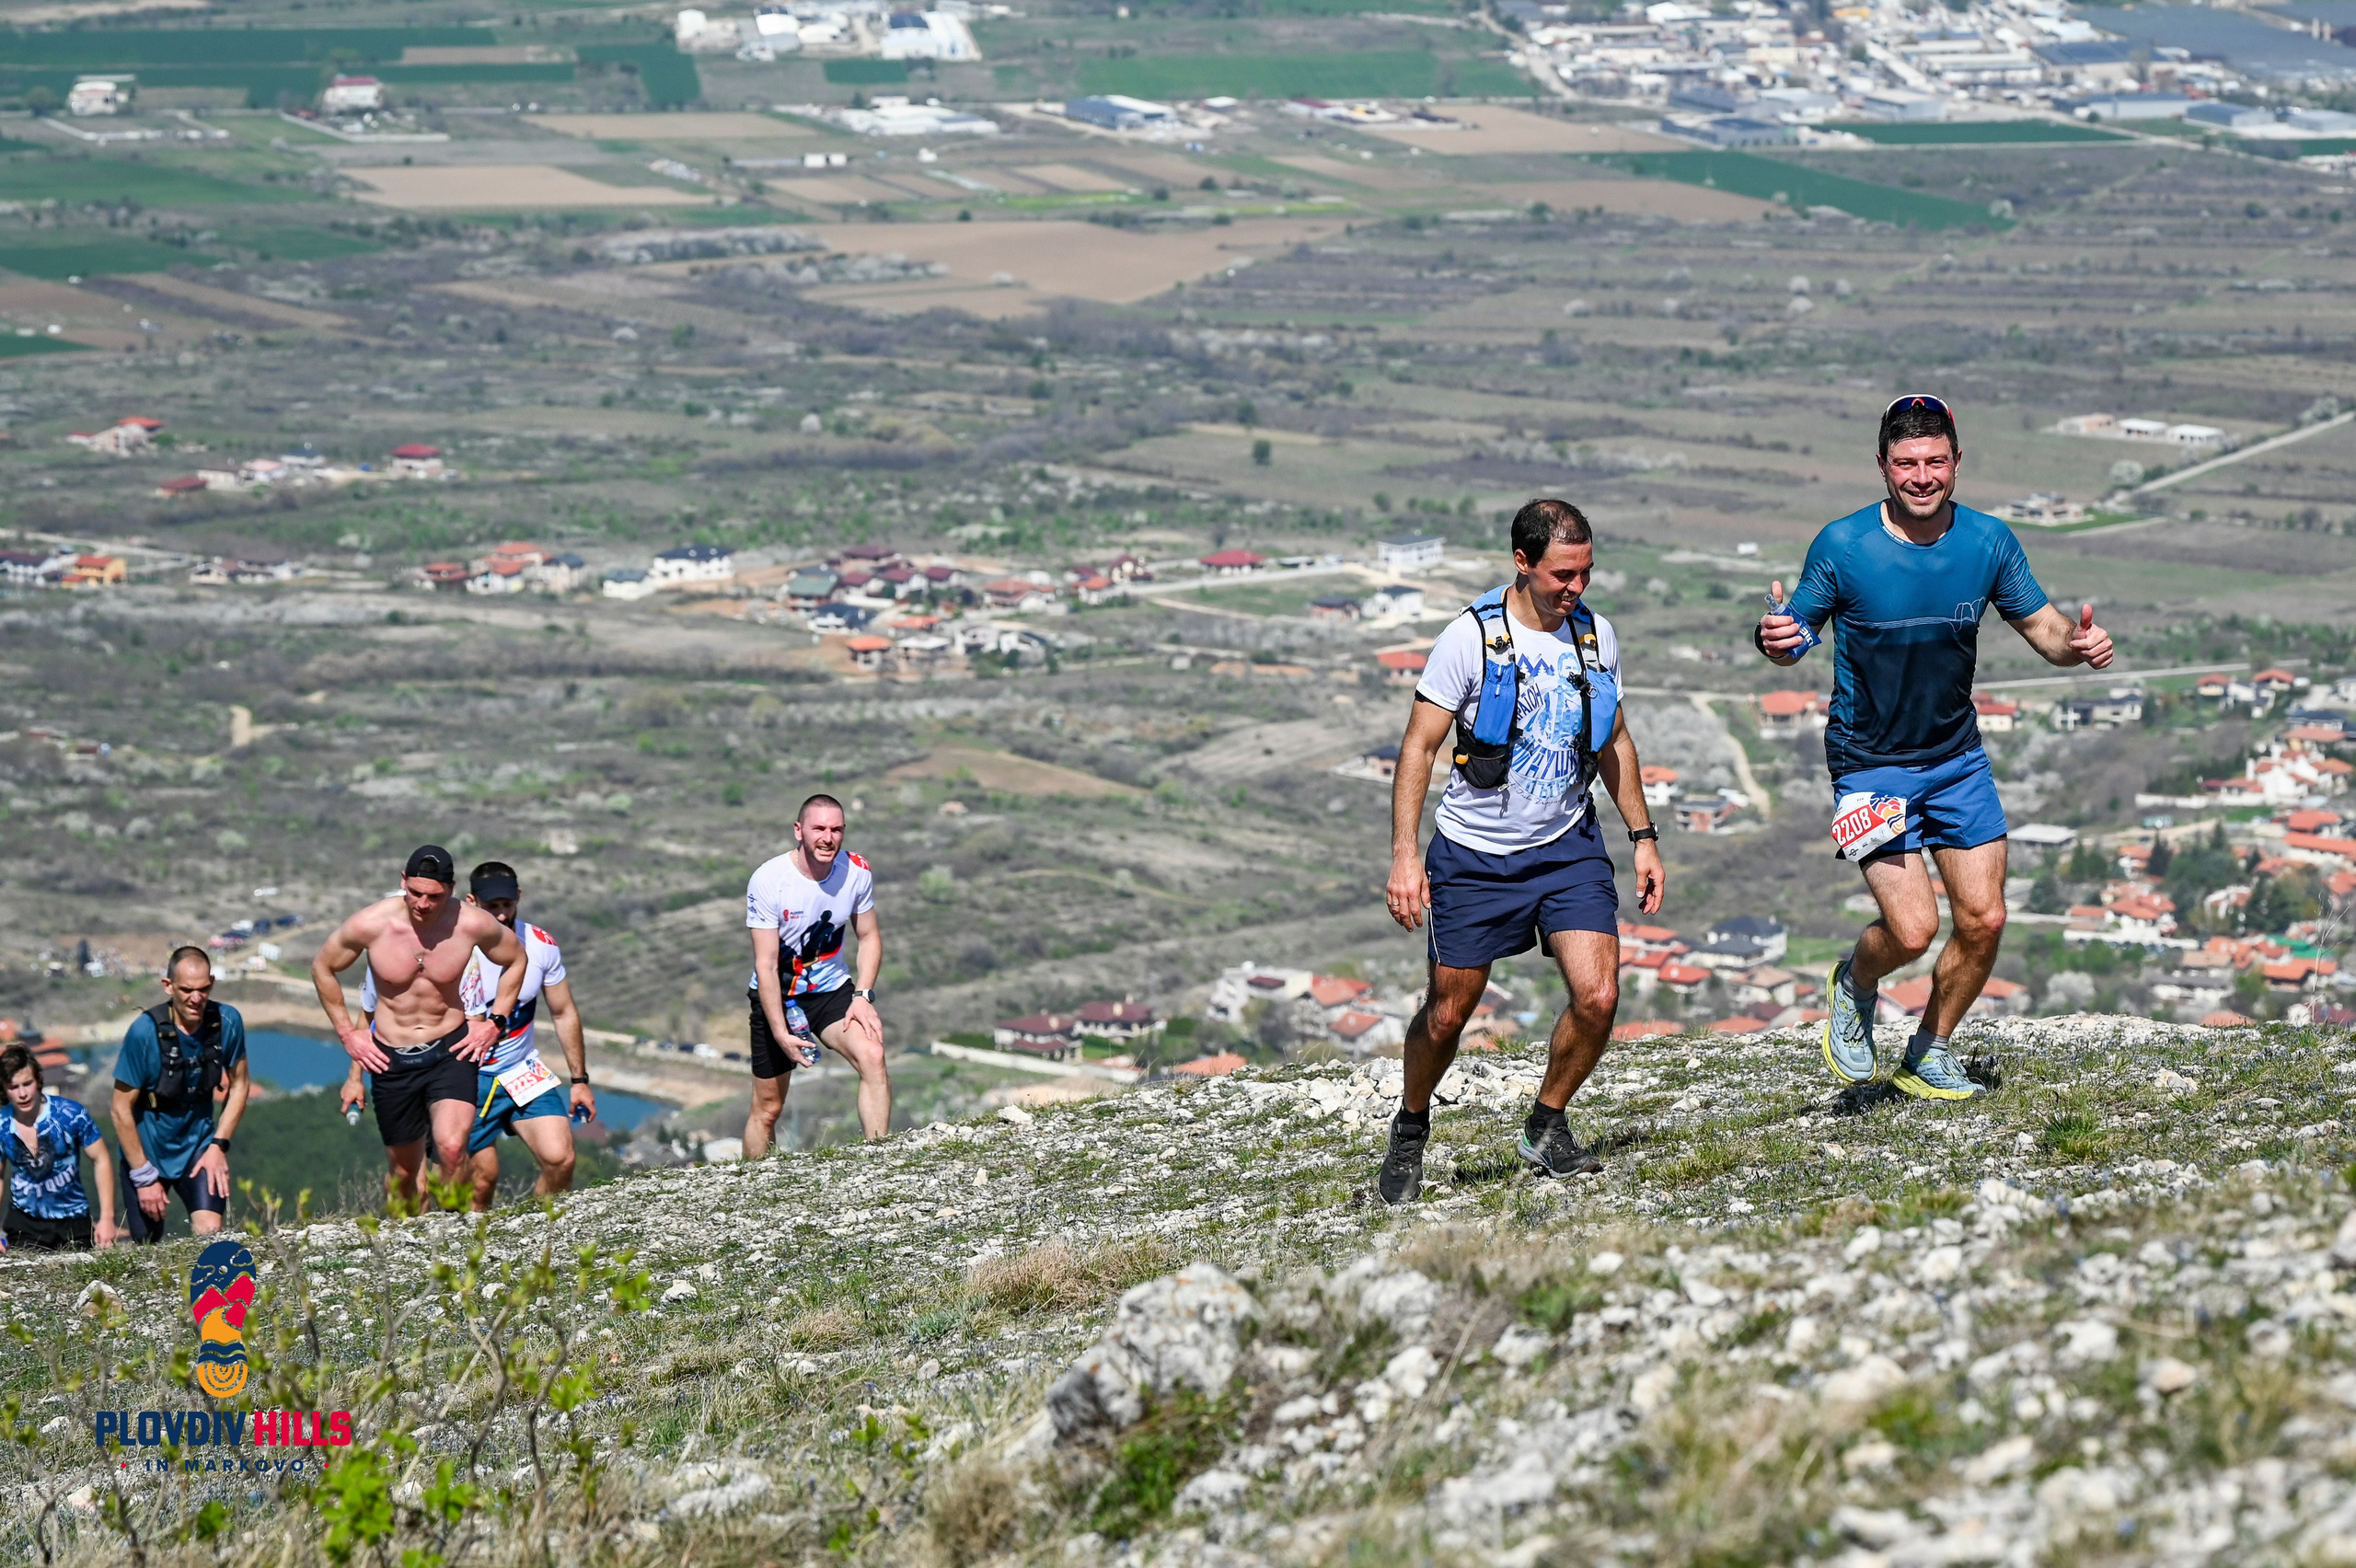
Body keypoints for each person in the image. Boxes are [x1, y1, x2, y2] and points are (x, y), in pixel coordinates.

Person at [1758, 394, 2112, 1100]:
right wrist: (1778, 641)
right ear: (1883, 468)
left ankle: (1929, 1049)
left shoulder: (1988, 542)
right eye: (1906, 463)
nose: (1922, 477)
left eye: (1935, 462)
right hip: (1868, 763)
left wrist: (2075, 647)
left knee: (1986, 918)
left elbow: (2043, 629)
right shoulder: (1844, 545)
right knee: (1913, 931)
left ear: (1957, 463)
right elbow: (1793, 631)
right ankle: (1855, 981)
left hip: (1956, 759)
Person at [1379, 498, 1666, 1204]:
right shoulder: (1469, 640)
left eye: (1586, 574)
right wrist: (1405, 856)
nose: (1576, 589)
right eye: (1563, 575)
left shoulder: (1596, 638)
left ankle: (1546, 1124)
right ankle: (1411, 1129)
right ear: (1522, 562)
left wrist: (1644, 837)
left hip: (1566, 846)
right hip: (1475, 856)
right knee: (1448, 1013)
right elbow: (1419, 747)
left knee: (1597, 996)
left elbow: (1615, 739)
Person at [343, 860, 594, 1211]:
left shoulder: (540, 945)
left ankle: (536, 1239)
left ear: (518, 898)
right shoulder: (435, 945)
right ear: (472, 902)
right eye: (493, 908)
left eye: (508, 905)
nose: (502, 916)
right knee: (474, 1177)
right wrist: (356, 1077)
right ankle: (446, 1246)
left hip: (519, 1070)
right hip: (460, 1071)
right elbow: (372, 1012)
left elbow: (563, 1011)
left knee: (561, 1158)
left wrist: (579, 1079)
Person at [311, 845, 527, 1213]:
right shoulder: (371, 924)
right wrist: (349, 1033)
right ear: (403, 882)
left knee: (453, 1148)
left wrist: (496, 1022)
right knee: (405, 1170)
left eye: (434, 896)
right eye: (415, 893)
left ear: (452, 889)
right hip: (391, 1057)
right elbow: (322, 968)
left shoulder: (470, 923)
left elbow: (516, 959)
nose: (423, 904)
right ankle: (406, 1245)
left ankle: (455, 1231)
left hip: (451, 1048)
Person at [743, 793, 888, 1156]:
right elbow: (765, 964)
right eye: (819, 828)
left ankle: (880, 1161)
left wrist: (863, 995)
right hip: (777, 994)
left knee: (872, 1055)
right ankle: (753, 1188)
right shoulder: (769, 880)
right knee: (768, 1108)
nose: (828, 838)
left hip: (831, 991)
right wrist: (780, 1031)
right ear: (799, 831)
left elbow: (869, 936)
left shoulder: (856, 871)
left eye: (836, 829)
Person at [110, 947, 249, 1244]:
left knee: (211, 1236)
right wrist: (144, 1176)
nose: (196, 999)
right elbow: (120, 1109)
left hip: (198, 1146)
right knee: (147, 1244)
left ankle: (212, 1290)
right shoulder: (144, 1033)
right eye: (186, 990)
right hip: (147, 1152)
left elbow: (239, 1084)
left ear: (211, 983)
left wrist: (218, 1146)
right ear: (168, 986)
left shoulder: (227, 1022)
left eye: (203, 989)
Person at [3, 1043, 121, 1251]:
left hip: (73, 1219)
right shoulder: (2, 1123)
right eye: (13, 1087)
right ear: (4, 1089)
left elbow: (101, 1159)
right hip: (24, 1222)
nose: (22, 1094)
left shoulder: (71, 1114)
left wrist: (107, 1218)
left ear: (38, 1080)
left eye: (27, 1084)